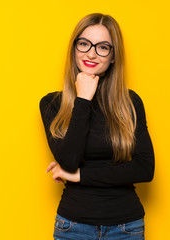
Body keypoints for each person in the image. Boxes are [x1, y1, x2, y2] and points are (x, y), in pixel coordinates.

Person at [39, 13, 154, 240]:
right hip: (73, 227)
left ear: (113, 57)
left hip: (126, 228)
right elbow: (68, 161)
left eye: (103, 47)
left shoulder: (130, 103)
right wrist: (82, 100)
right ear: (74, 49)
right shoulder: (52, 104)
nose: (91, 53)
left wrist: (79, 175)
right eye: (84, 44)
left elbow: (144, 169)